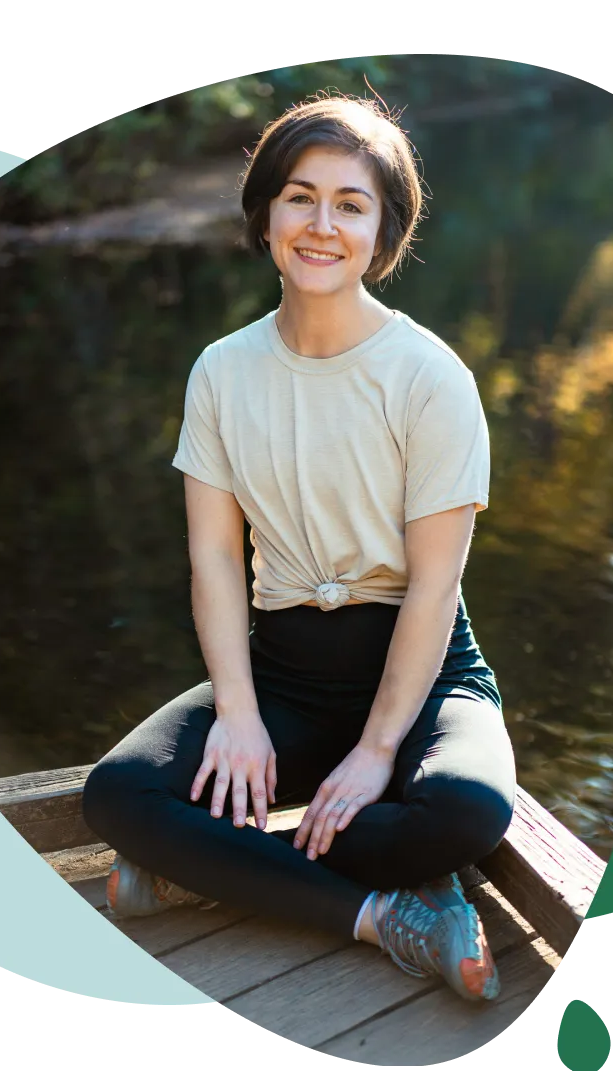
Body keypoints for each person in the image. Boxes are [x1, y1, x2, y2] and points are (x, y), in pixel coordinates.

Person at [82, 92, 517, 1005]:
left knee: (468, 810)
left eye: (350, 205)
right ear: (267, 213)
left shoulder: (430, 378)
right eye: (299, 197)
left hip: (422, 671)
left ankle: (204, 864)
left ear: (383, 230)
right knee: (120, 796)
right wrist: (237, 713)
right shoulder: (222, 371)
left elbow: (436, 589)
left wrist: (376, 748)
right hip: (282, 671)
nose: (322, 226)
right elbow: (212, 561)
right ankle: (386, 917)